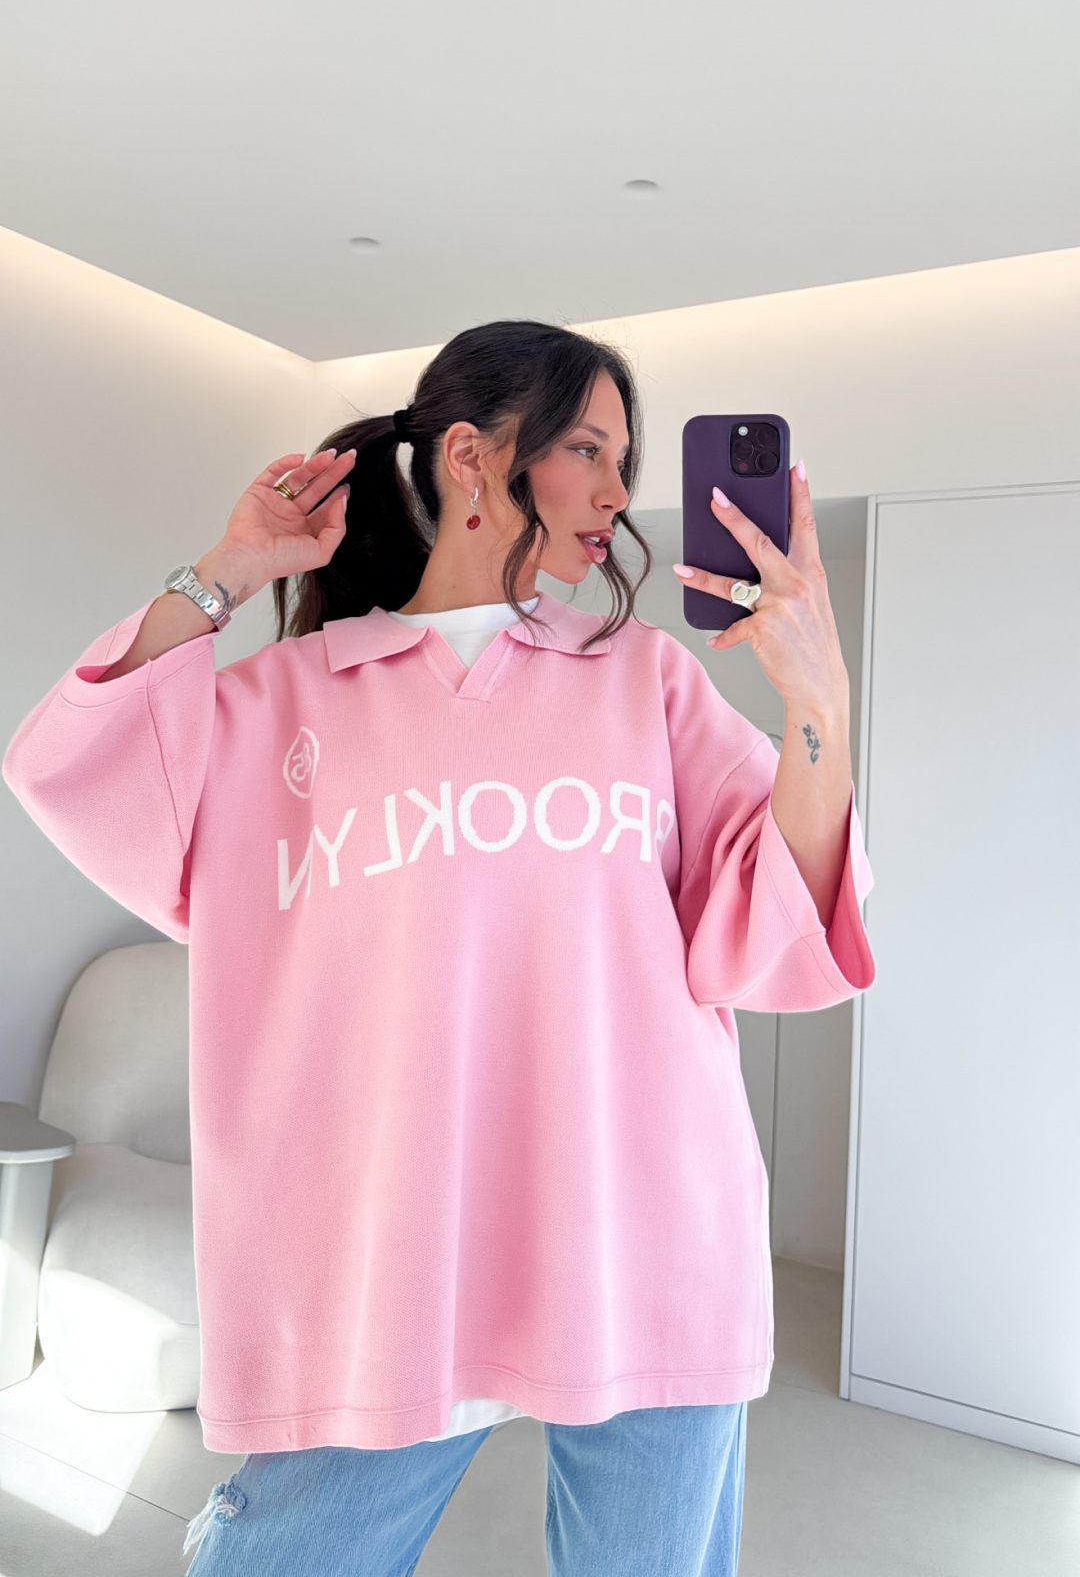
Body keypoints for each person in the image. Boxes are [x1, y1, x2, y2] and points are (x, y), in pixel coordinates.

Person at [2, 319, 875, 1575]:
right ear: (472, 455)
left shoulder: (645, 679)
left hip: (644, 1230)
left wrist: (818, 700)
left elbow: (778, 910)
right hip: (381, 1255)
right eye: (588, 450)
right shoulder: (286, 702)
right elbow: (72, 764)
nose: (619, 495)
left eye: (625, 461)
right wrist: (230, 571)